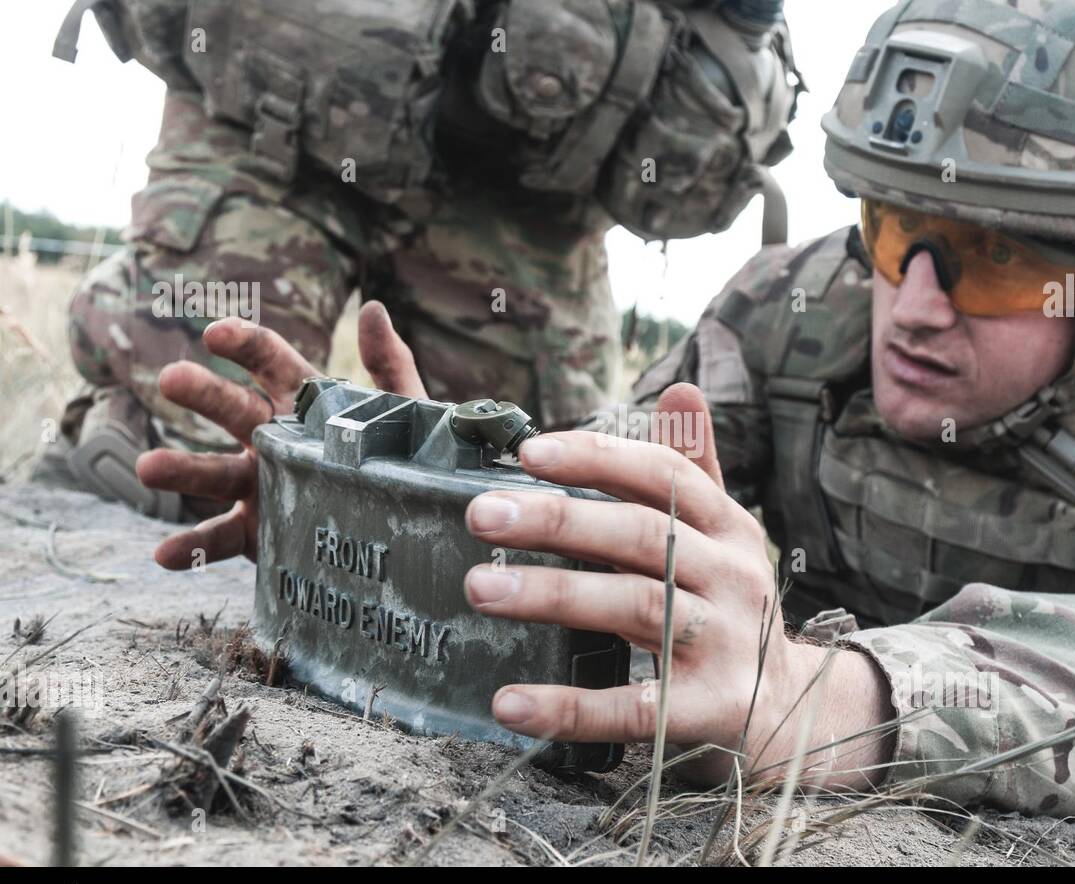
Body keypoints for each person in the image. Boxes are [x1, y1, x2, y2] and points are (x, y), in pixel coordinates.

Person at [136, 0, 1075, 833]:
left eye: (994, 259)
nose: (914, 306)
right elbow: (620, 502)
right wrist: (408, 497)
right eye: (894, 232)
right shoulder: (796, 310)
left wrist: (836, 698)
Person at [43, 0, 800, 521]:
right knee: (186, 452)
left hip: (523, 186)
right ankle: (127, 428)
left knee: (524, 491)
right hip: (283, 112)